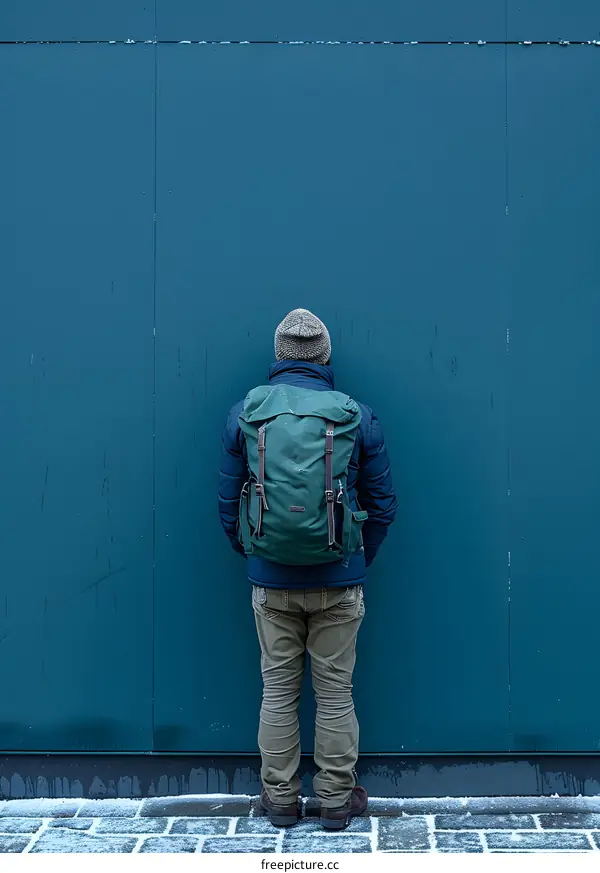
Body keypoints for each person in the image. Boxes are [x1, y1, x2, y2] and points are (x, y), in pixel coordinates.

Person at [218, 308, 397, 830]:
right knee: (335, 694)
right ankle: (336, 803)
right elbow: (383, 506)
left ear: (280, 356)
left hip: (270, 580)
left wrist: (257, 551)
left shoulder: (246, 413)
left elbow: (228, 506)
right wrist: (353, 558)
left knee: (278, 692)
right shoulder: (356, 415)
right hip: (340, 578)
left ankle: (279, 801)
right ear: (325, 356)